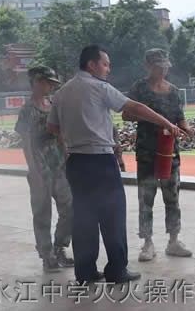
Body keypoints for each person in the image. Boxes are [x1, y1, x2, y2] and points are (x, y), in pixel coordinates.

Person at [47, 45, 183, 284]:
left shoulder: (62, 93)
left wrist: (68, 143)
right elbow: (135, 108)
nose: (109, 69)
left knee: (83, 218)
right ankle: (116, 270)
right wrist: (167, 123)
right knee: (113, 216)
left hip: (76, 162)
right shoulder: (99, 88)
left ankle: (86, 272)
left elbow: (53, 127)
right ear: (92, 64)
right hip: (100, 160)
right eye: (106, 64)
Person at [123, 48, 194, 263]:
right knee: (146, 199)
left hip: (169, 152)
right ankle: (147, 243)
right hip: (147, 153)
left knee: (172, 197)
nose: (162, 70)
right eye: (157, 67)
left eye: (165, 67)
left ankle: (174, 240)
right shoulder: (139, 88)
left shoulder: (172, 91)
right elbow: (126, 114)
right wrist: (157, 121)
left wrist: (187, 129)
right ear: (148, 66)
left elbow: (179, 118)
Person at [15, 66, 74, 273]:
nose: (51, 86)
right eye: (48, 82)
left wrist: (67, 157)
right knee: (42, 213)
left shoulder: (52, 104)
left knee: (70, 208)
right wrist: (34, 170)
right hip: (40, 168)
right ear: (37, 82)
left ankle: (59, 247)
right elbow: (26, 141)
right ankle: (47, 255)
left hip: (58, 165)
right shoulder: (27, 110)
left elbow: (61, 135)